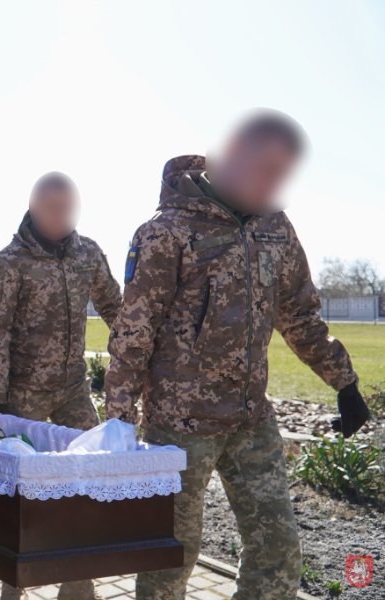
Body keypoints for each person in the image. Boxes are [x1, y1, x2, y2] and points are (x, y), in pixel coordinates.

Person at [105, 110, 370, 600]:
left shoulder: (275, 228)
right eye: (265, 168)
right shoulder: (167, 231)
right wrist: (119, 421)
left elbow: (299, 314)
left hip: (251, 419)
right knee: (170, 561)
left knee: (278, 552)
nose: (273, 184)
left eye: (282, 174)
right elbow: (133, 333)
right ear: (228, 154)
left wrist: (344, 381)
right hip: (179, 426)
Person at [0, 172, 121, 600]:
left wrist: (138, 354)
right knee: (22, 492)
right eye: (51, 208)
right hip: (22, 394)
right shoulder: (9, 263)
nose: (60, 216)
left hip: (72, 388)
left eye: (67, 208)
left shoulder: (88, 254)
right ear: (33, 208)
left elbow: (115, 307)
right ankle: (14, 583)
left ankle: (78, 585)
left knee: (89, 477)